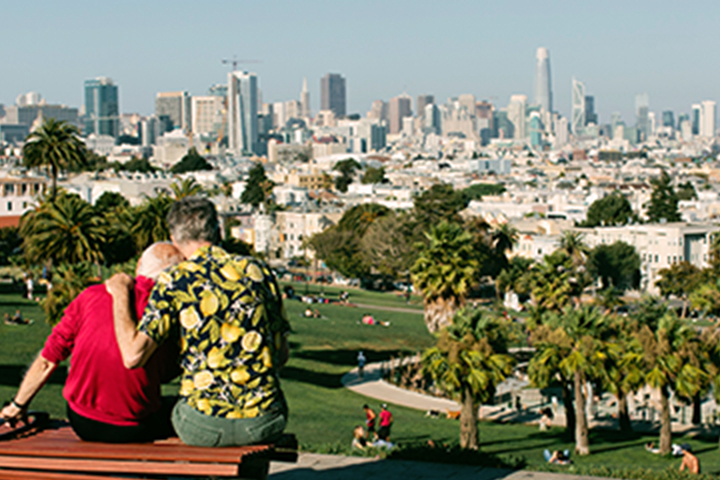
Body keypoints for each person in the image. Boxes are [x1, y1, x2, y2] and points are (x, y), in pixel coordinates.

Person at [107, 196, 290, 448]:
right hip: (264, 421)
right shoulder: (259, 272)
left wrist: (119, 294)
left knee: (171, 409)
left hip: (203, 426)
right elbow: (281, 355)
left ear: (174, 238)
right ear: (218, 230)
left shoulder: (174, 280)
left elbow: (133, 356)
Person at [0, 243, 184, 443]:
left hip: (82, 421)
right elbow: (167, 372)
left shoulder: (90, 296)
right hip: (133, 426)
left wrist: (18, 405)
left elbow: (48, 360)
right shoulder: (165, 313)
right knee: (181, 409)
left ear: (140, 264)